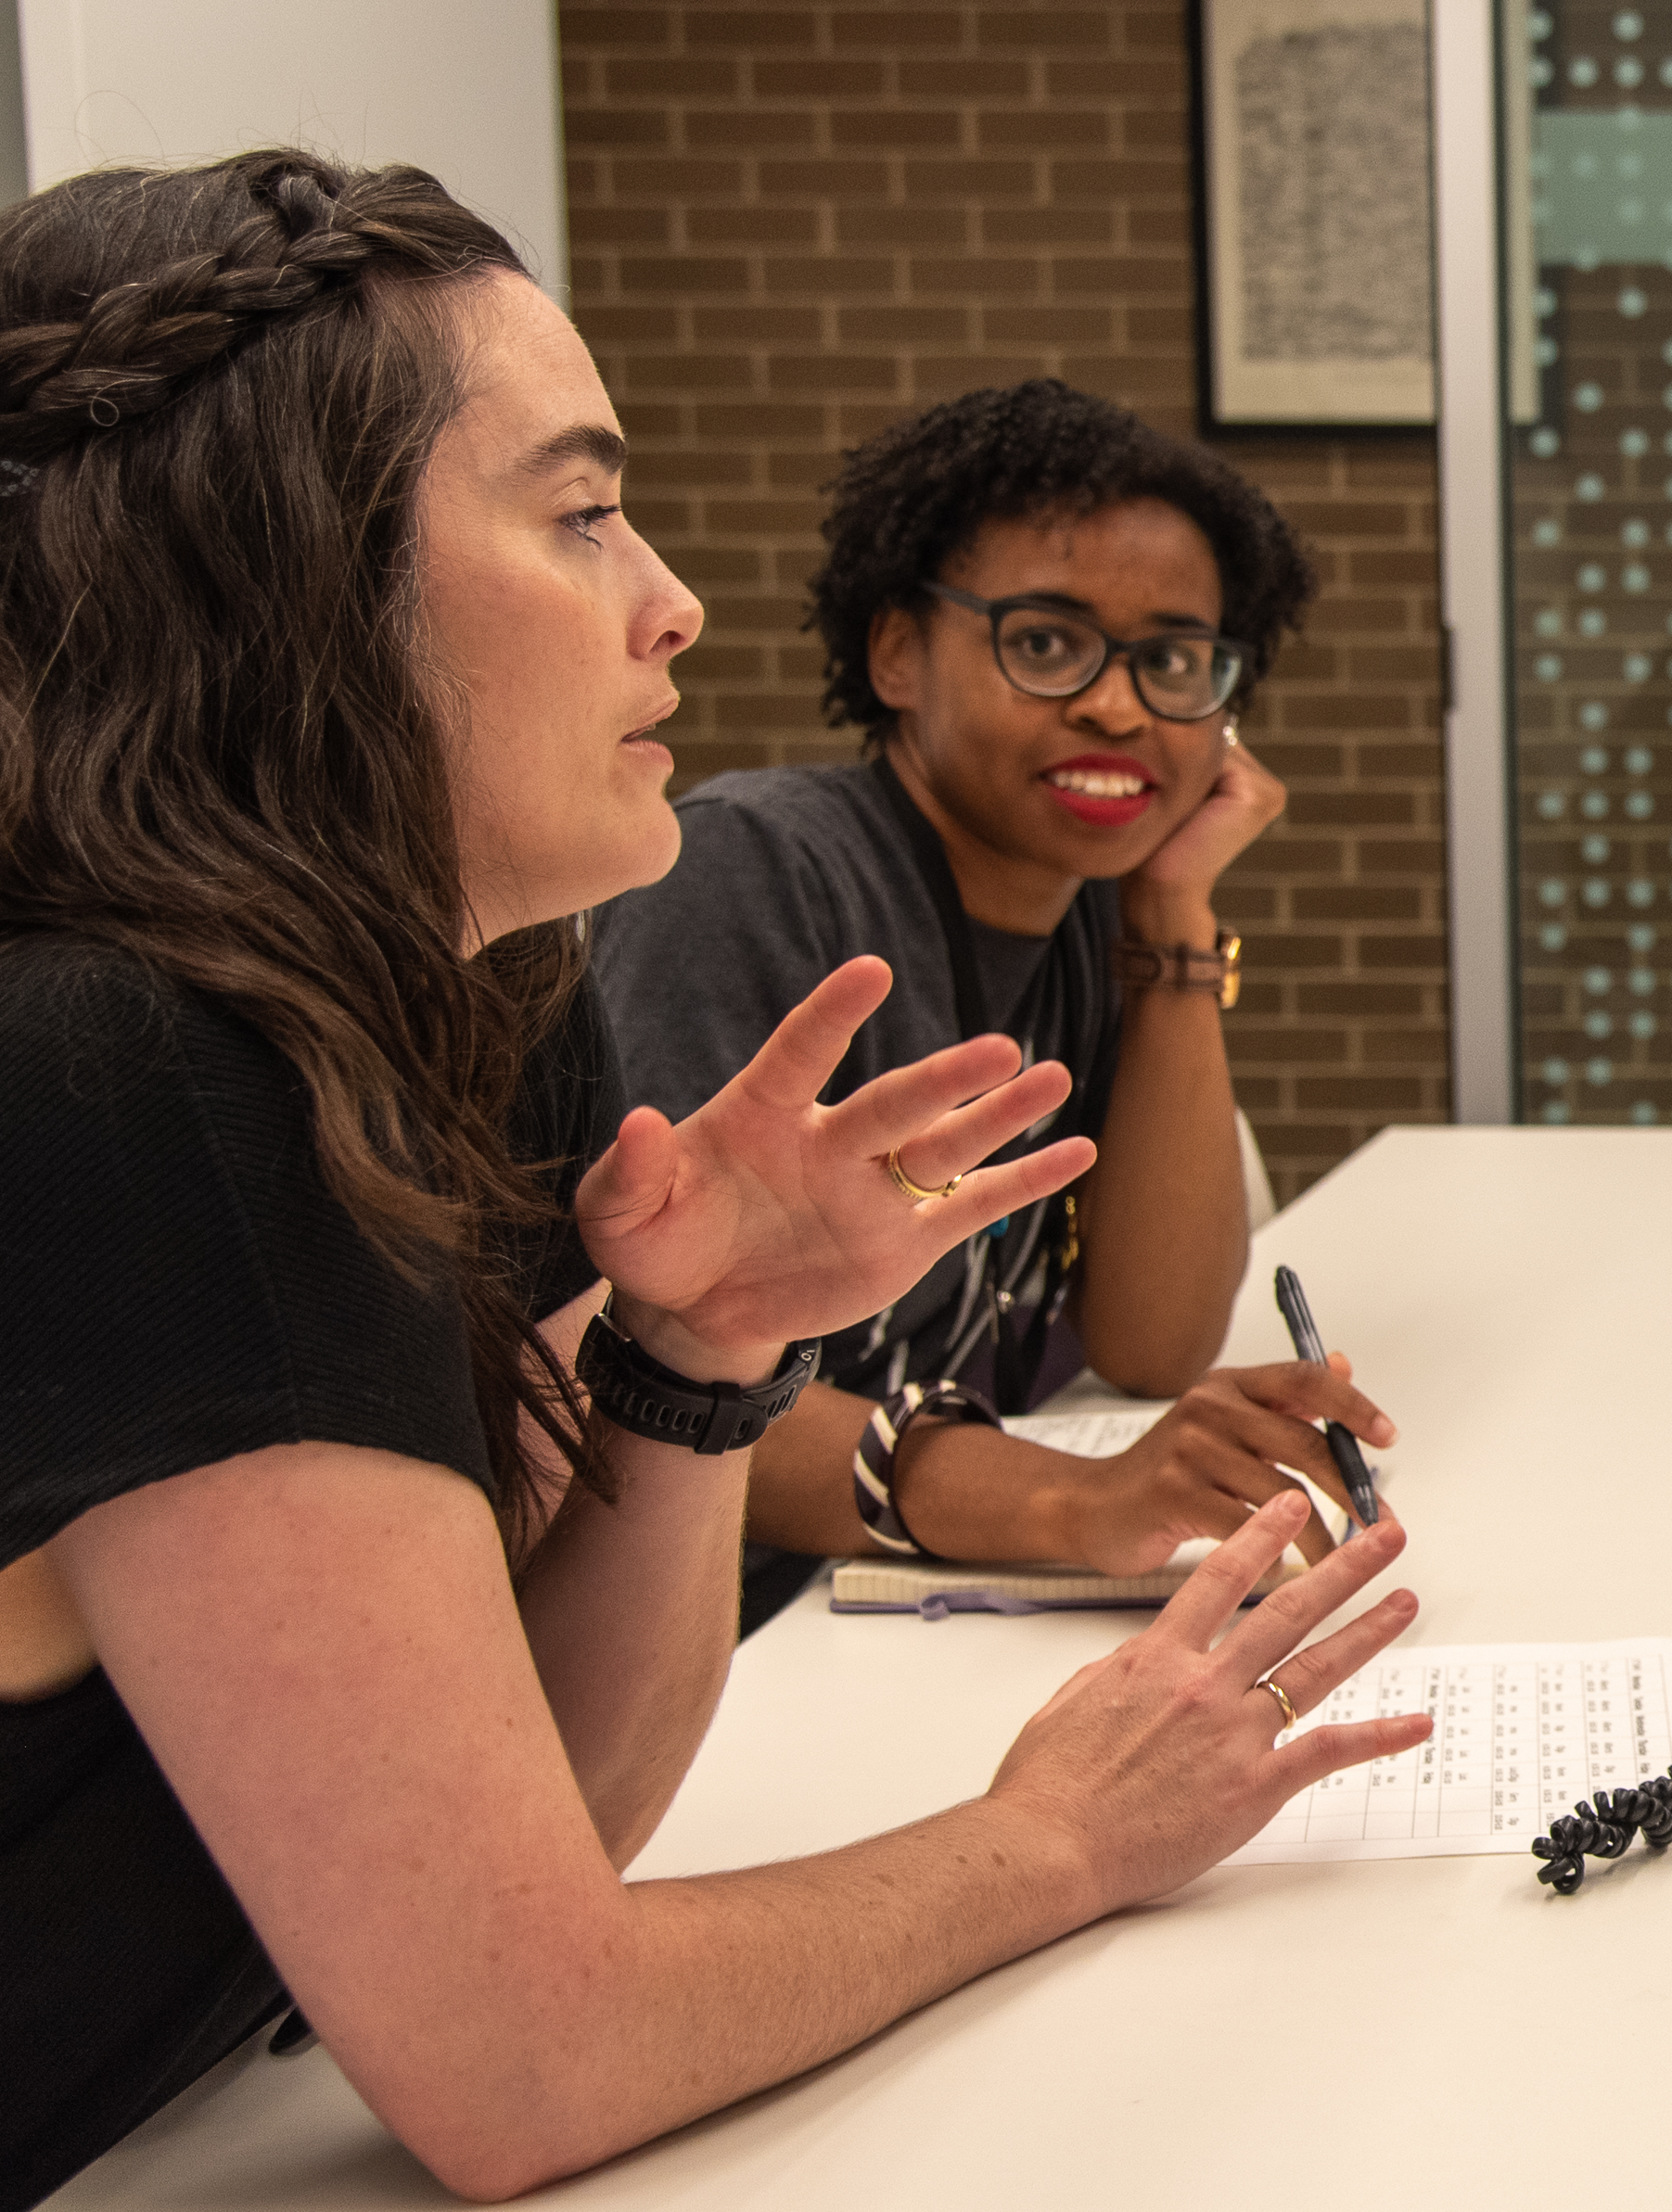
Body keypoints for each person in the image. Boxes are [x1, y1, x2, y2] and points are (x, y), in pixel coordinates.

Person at [0, 150, 1431, 2212]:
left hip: (164, 2202)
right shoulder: (124, 1070)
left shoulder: (488, 991)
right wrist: (1054, 1840)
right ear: (286, 575)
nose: (674, 600)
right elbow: (521, 2058)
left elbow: (561, 1808)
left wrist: (700, 1355)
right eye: (577, 513)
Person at [585, 383, 1390, 1627]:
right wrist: (1072, 1505)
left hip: (896, 1606)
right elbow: (636, 1378)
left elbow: (1153, 1342)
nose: (1119, 706)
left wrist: (1172, 907)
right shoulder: (752, 873)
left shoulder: (1086, 909)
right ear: (897, 650)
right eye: (1047, 642)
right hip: (718, 1639)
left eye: (1174, 662)